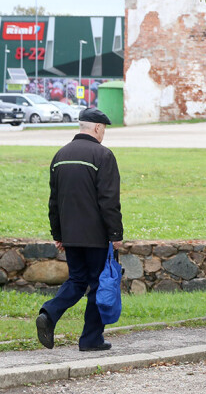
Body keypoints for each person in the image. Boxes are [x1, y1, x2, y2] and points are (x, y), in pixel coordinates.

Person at [36, 107, 123, 351]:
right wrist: (115, 235)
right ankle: (91, 340)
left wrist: (58, 235)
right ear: (97, 128)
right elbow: (109, 201)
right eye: (103, 129)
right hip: (96, 237)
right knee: (97, 285)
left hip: (71, 235)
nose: (103, 134)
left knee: (76, 280)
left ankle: (49, 313)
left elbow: (54, 201)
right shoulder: (103, 155)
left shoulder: (60, 155)